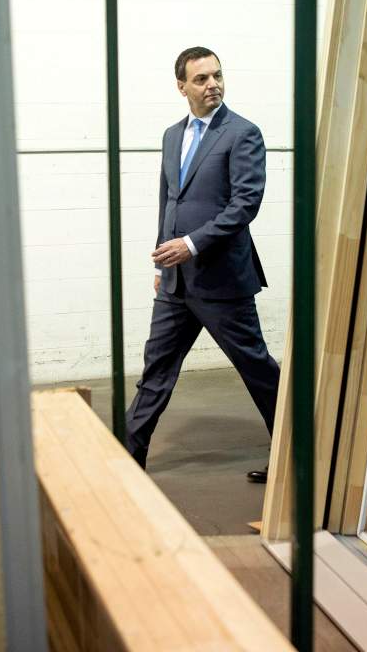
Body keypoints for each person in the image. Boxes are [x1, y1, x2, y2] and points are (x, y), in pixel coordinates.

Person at [125, 46, 279, 483]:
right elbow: (168, 200)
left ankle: (299, 457)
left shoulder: (242, 133)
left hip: (223, 280)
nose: (212, 84)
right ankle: (125, 462)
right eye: (201, 79)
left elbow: (244, 204)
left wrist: (191, 245)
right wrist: (162, 262)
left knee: (258, 370)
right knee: (155, 372)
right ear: (182, 87)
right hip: (176, 283)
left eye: (217, 76)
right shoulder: (172, 135)